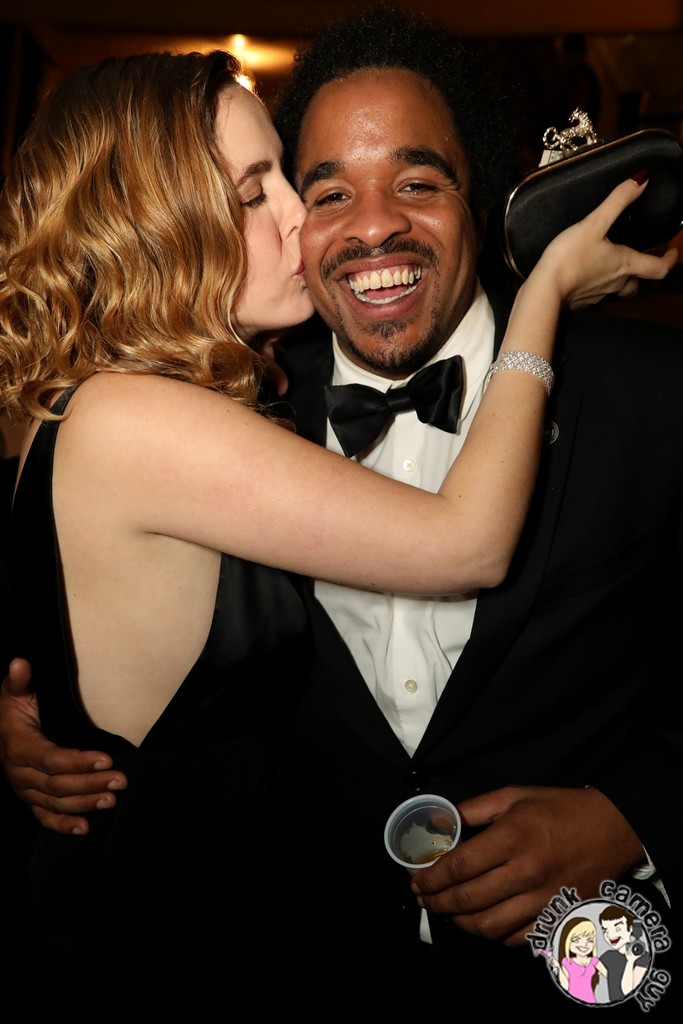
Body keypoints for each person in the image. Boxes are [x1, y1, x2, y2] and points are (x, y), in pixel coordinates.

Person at [1, 7, 681, 1018]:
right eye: (299, 191)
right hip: (272, 965)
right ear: (164, 221)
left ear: (478, 196)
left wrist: (632, 817)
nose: (361, 225)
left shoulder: (648, 394)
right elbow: (462, 544)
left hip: (588, 946)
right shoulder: (194, 420)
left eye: (416, 182)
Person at [599, 906, 652, 1002]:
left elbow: (628, 992)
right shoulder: (608, 956)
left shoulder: (643, 957)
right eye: (605, 930)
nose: (610, 935)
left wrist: (630, 961)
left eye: (617, 929)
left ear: (630, 928)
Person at [552, 916, 608, 1004]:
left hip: (590, 1001)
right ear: (567, 941)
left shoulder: (594, 961)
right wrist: (558, 967)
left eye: (589, 940)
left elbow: (610, 976)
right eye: (576, 940)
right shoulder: (566, 962)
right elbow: (565, 987)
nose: (584, 944)